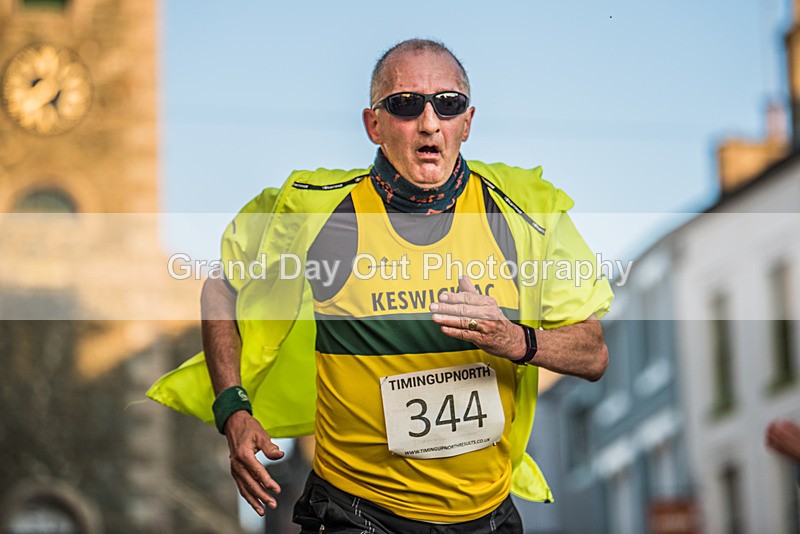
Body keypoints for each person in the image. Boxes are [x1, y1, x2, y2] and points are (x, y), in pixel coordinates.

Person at [148, 39, 613, 533]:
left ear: (468, 122)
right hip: (357, 513)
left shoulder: (525, 212)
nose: (430, 122)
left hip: (485, 516)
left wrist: (514, 339)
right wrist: (233, 410)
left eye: (447, 104)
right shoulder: (316, 211)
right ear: (374, 125)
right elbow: (221, 289)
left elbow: (594, 354)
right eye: (406, 105)